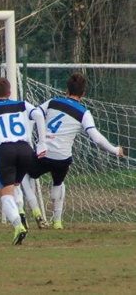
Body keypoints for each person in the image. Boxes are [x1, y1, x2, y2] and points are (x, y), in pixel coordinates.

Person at [22, 72, 125, 230]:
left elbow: (34, 115)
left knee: (25, 175)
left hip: (43, 154)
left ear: (66, 90)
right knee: (58, 183)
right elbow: (96, 139)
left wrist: (29, 139)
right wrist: (115, 150)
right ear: (83, 94)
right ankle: (57, 222)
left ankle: (36, 211)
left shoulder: (52, 102)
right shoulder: (84, 113)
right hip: (63, 158)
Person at [0, 77, 47, 245]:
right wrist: (42, 142)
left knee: (4, 192)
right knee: (16, 184)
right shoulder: (22, 104)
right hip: (25, 149)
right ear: (9, 92)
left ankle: (18, 224)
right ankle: (21, 211)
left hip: (4, 150)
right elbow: (38, 115)